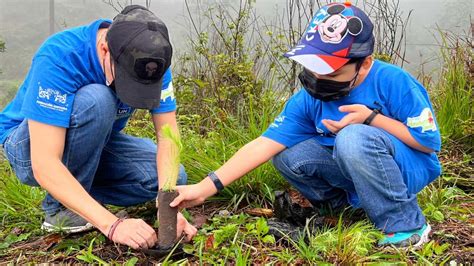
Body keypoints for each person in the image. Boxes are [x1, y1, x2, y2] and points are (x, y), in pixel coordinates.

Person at [171, 2, 441, 248]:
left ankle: (405, 225)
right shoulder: (308, 99)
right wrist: (204, 188)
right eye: (314, 68)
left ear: (365, 64)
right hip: (353, 165)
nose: (318, 78)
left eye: (332, 72)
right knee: (287, 155)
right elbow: (264, 144)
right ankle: (345, 209)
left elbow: (427, 144)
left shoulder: (394, 82)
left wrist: (372, 119)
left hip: (407, 166)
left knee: (353, 137)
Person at [0, 5, 197, 249]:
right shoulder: (61, 55)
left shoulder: (152, 64)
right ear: (105, 49)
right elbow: (44, 162)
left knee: (174, 176)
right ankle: (60, 208)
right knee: (97, 100)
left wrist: (168, 213)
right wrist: (112, 225)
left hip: (95, 143)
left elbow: (168, 137)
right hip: (29, 147)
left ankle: (79, 195)